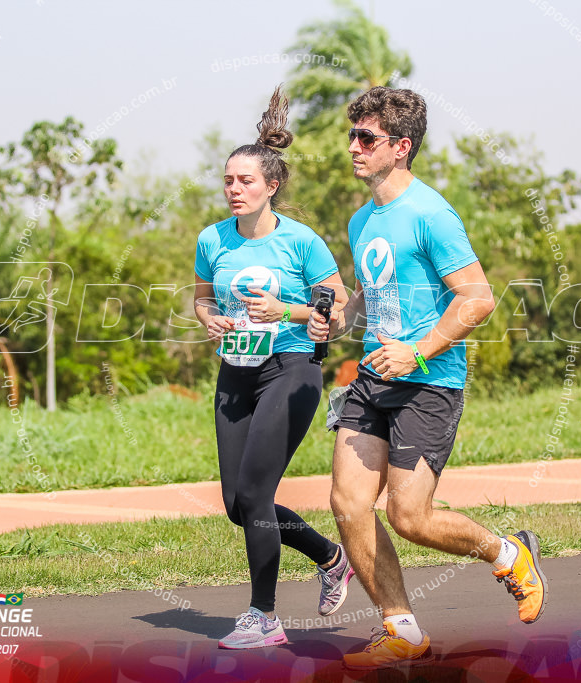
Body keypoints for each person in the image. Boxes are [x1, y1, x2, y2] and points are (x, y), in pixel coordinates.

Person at [308, 86, 549, 670]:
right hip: (373, 377)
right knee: (347, 504)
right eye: (352, 136)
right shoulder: (362, 218)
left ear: (401, 147)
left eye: (366, 138)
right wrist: (341, 316)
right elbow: (381, 296)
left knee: (409, 517)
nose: (353, 148)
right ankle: (402, 628)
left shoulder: (432, 214)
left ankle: (506, 552)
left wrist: (416, 352)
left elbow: (479, 298)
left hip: (429, 381)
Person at [193, 86, 354, 650]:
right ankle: (331, 557)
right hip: (235, 372)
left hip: (291, 370)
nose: (234, 190)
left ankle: (264, 616)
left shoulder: (302, 242)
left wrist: (290, 310)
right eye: (229, 181)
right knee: (238, 505)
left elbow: (338, 313)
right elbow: (202, 298)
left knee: (258, 494)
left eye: (245, 181)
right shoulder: (212, 239)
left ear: (271, 186)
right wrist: (209, 318)